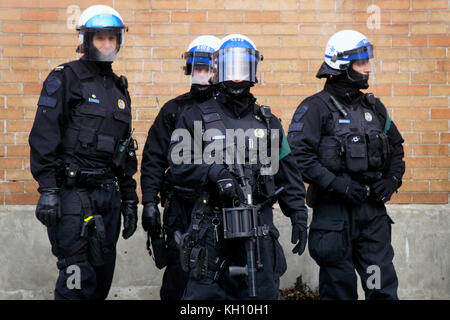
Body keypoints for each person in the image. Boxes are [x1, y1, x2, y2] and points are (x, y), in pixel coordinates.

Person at [168, 34, 308, 300]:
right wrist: (214, 172)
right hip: (211, 229)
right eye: (230, 69)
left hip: (259, 231)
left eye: (242, 68)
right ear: (218, 70)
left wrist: (298, 214)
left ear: (253, 71)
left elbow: (288, 174)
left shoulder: (268, 123)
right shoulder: (196, 116)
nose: (236, 77)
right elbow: (178, 162)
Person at [29, 5, 138, 300]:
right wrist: (48, 189)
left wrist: (129, 198)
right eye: (100, 38)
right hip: (73, 196)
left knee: (101, 283)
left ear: (119, 41)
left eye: (112, 39)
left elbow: (125, 149)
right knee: (77, 281)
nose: (106, 44)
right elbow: (43, 136)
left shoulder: (119, 89)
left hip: (108, 196)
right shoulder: (65, 77)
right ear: (86, 40)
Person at [287, 30, 405, 300]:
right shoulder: (315, 108)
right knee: (339, 291)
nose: (367, 69)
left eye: (367, 62)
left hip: (372, 216)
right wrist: (337, 184)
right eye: (360, 62)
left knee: (381, 287)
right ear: (340, 65)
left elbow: (396, 149)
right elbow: (298, 157)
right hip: (334, 215)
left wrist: (391, 181)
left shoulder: (374, 108)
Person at [140, 35, 221, 300]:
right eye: (196, 67)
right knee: (179, 270)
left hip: (220, 205)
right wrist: (149, 202)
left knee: (216, 271)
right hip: (181, 206)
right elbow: (153, 159)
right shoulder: (173, 110)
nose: (201, 73)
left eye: (206, 68)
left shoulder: (230, 109)